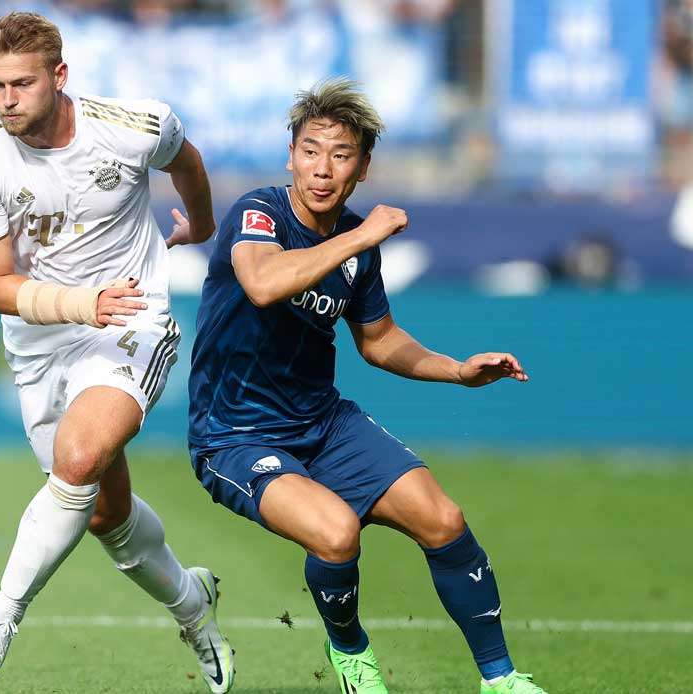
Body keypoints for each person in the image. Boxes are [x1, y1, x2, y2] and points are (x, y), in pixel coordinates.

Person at [186, 78, 547, 694]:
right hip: (235, 437)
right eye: (310, 150)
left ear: (363, 167)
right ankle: (351, 651)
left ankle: (502, 679)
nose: (322, 169)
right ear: (290, 155)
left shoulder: (359, 248)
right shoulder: (258, 212)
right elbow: (264, 284)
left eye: (340, 155)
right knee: (335, 532)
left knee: (443, 518)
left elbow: (379, 340)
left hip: (323, 424)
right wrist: (361, 235)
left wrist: (457, 370)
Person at [0, 12, 234, 692]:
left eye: (21, 84)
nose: (7, 100)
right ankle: (196, 609)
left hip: (130, 319)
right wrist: (78, 303)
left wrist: (202, 222)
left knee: (77, 459)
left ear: (59, 76)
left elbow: (185, 160)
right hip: (42, 336)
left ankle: (1, 615)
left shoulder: (131, 126)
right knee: (103, 514)